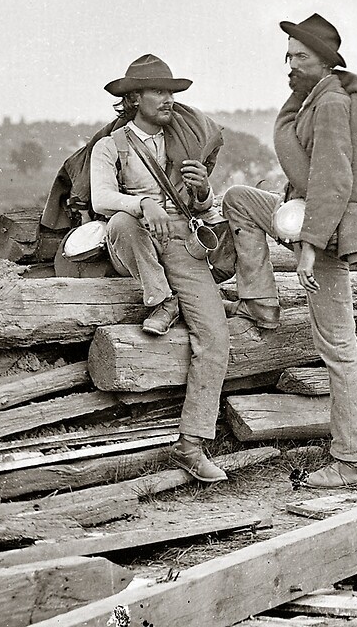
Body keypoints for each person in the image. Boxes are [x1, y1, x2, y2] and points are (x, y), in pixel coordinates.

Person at [222, 13, 357, 488]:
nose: (289, 64)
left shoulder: (331, 104)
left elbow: (334, 181)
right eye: (288, 55)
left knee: (338, 345)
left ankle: (351, 459)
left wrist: (309, 249)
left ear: (325, 61)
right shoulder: (309, 98)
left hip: (327, 229)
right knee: (238, 200)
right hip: (304, 213)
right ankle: (260, 300)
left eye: (300, 56)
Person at [89, 53, 231, 484]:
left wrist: (203, 192)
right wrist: (140, 202)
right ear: (133, 98)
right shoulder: (111, 146)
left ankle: (191, 444)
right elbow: (101, 199)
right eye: (158, 91)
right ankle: (162, 298)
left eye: (171, 91)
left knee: (215, 335)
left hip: (182, 242)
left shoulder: (182, 144)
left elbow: (201, 207)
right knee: (121, 220)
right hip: (136, 240)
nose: (168, 99)